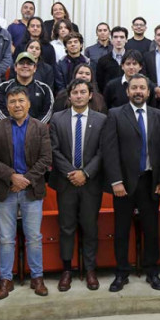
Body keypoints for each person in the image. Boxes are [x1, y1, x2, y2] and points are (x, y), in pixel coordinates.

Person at [102, 74, 160, 292]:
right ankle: (122, 272)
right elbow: (109, 151)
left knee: (151, 230)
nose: (138, 91)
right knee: (121, 230)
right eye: (134, 88)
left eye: (142, 88)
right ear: (127, 92)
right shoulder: (115, 114)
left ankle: (152, 271)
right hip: (124, 184)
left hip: (151, 181)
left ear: (149, 92)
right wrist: (116, 181)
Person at [0, 86, 52, 300]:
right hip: (6, 189)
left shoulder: (40, 127)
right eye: (12, 101)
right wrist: (12, 176)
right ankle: (6, 279)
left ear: (29, 103)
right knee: (6, 238)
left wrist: (25, 180)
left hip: (31, 190)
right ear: (7, 105)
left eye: (21, 100)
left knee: (34, 237)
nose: (17, 105)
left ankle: (37, 277)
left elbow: (45, 159)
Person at [49, 78, 107, 292]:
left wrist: (86, 173)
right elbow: (54, 150)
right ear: (69, 95)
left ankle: (90, 269)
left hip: (91, 184)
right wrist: (72, 173)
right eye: (75, 92)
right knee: (66, 228)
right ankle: (67, 270)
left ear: (90, 95)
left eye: (83, 92)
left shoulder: (101, 119)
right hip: (66, 183)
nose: (79, 96)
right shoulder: (57, 118)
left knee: (90, 228)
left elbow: (103, 151)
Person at [0, 52, 54, 122]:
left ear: (35, 68)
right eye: (21, 63)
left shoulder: (45, 89)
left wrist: (34, 128)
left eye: (29, 63)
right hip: (9, 130)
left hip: (36, 131)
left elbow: (48, 112)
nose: (25, 66)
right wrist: (15, 126)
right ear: (15, 67)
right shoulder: (3, 88)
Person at [95, 26, 128, 93]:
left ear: (126, 40)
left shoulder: (132, 60)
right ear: (111, 40)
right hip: (110, 98)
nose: (118, 40)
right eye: (115, 37)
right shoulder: (103, 60)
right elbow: (100, 83)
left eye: (122, 37)